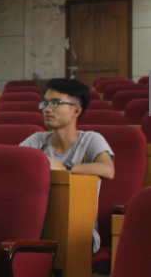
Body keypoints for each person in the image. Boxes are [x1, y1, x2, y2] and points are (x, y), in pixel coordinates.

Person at [19, 78, 115, 253]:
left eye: (55, 103)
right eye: (45, 103)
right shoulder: (37, 139)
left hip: (77, 231)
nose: (47, 109)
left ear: (75, 111)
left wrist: (64, 167)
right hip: (37, 225)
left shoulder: (91, 139)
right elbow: (14, 166)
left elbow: (108, 170)